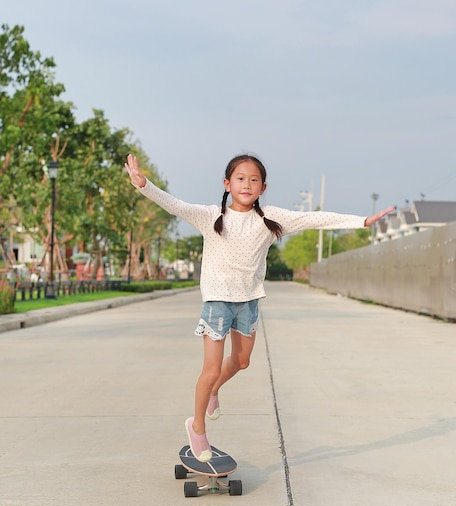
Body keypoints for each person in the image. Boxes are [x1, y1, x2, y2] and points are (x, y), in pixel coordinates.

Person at [125, 153, 393, 462]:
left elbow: (314, 219)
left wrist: (361, 222)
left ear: (262, 187)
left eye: (254, 180)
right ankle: (197, 426)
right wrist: (143, 184)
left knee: (240, 362)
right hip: (217, 302)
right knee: (210, 369)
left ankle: (214, 391)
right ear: (228, 184)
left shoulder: (271, 218)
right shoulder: (211, 216)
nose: (247, 184)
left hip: (249, 301)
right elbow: (176, 205)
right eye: (240, 178)